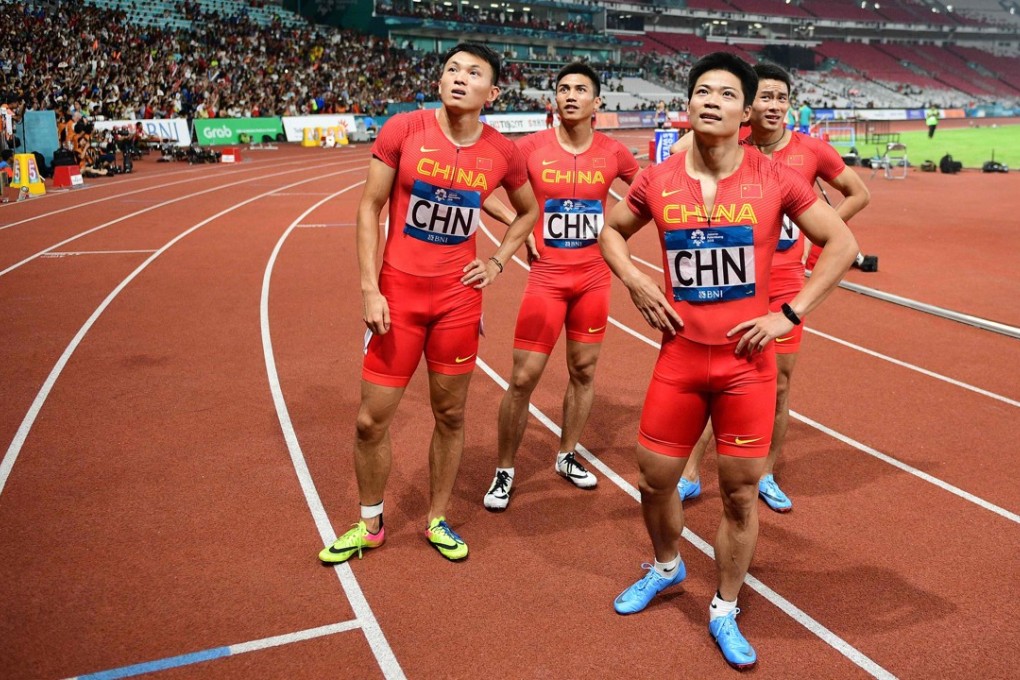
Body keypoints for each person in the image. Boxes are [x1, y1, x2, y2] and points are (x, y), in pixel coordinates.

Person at [599, 52, 857, 669]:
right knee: (654, 480)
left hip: (747, 363)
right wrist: (635, 280)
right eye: (701, 91)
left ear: (745, 112)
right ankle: (666, 565)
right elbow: (610, 232)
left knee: (740, 495)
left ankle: (724, 606)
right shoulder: (657, 180)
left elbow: (842, 243)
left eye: (725, 94)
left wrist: (788, 315)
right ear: (688, 105)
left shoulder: (776, 179)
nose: (711, 100)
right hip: (680, 359)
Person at [317, 43, 539, 565]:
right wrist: (370, 288)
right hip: (398, 295)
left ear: (494, 91)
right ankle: (369, 524)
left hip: (458, 301)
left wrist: (499, 261)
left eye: (473, 73)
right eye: (452, 69)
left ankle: (437, 518)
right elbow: (370, 207)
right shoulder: (404, 130)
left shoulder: (502, 152)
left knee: (451, 414)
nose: (459, 78)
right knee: (371, 421)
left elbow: (528, 211)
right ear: (440, 81)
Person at [674, 63, 871, 512]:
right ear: (746, 106)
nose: (775, 106)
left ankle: (765, 472)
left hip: (783, 278)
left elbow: (858, 194)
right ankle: (690, 472)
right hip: (735, 278)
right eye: (766, 97)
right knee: (717, 375)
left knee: (780, 385)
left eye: (782, 98)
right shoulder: (727, 146)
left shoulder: (811, 151)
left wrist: (814, 232)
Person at [480, 63, 640, 511]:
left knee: (584, 372)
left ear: (597, 103)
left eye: (581, 89)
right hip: (547, 278)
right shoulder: (528, 149)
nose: (570, 95)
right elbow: (481, 188)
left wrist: (619, 232)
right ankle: (505, 470)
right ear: (554, 99)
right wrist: (519, 222)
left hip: (593, 278)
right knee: (523, 378)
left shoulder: (614, 152)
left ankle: (567, 455)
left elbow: (652, 193)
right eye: (563, 89)